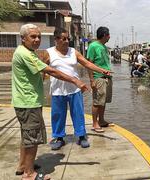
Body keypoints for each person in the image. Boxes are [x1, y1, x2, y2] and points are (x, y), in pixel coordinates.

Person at [12, 24, 88, 180]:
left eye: (39, 36)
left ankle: (23, 166)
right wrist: (75, 80)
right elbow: (51, 71)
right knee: (32, 139)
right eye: (33, 37)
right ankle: (29, 174)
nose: (37, 40)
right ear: (23, 38)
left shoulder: (26, 52)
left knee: (26, 136)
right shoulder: (27, 54)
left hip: (26, 101)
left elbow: (85, 63)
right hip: (28, 101)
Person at [43, 28, 111, 150]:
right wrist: (40, 83)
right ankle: (59, 138)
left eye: (68, 38)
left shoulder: (73, 52)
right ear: (56, 40)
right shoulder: (49, 53)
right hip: (58, 90)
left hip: (74, 89)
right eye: (63, 39)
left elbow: (87, 63)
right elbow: (42, 69)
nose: (66, 41)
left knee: (78, 113)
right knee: (58, 115)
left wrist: (101, 70)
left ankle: (81, 136)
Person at [87, 26, 113, 133]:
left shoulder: (104, 47)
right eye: (108, 35)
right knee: (97, 102)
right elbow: (89, 63)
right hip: (98, 78)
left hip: (107, 77)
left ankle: (101, 120)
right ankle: (94, 123)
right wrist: (92, 80)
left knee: (103, 101)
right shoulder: (93, 46)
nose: (109, 37)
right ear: (104, 35)